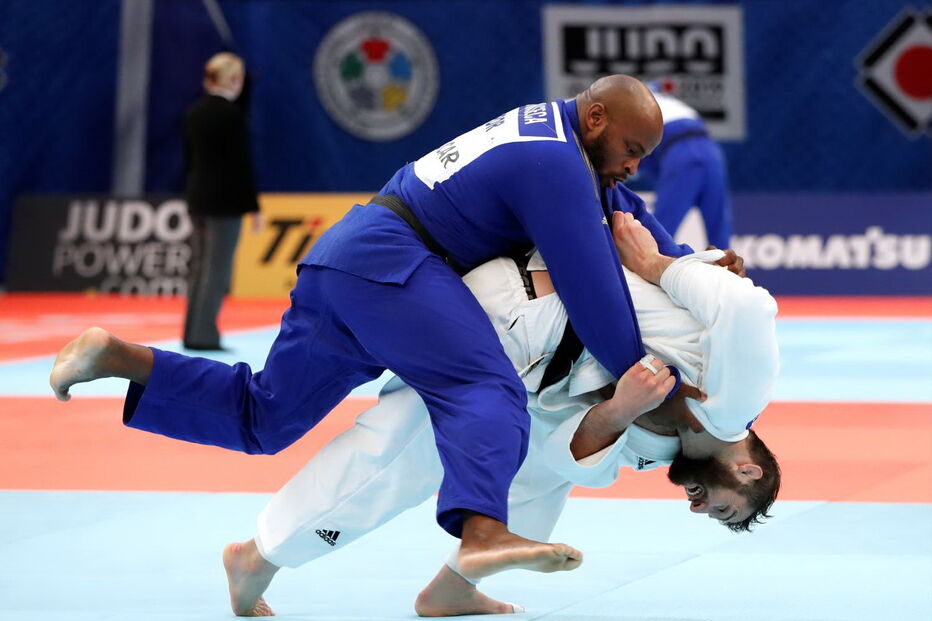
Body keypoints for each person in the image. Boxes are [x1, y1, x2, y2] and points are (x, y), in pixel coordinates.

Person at [50, 75, 690, 602]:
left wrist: (686, 261)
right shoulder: (554, 162)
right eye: (633, 147)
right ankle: (483, 532)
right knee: (484, 384)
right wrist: (653, 383)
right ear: (598, 117)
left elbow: (619, 205)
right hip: (394, 263)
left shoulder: (553, 135)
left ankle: (117, 356)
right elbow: (594, 294)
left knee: (264, 416)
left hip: (348, 259)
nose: (634, 165)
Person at [219, 210, 779, 617]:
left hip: (532, 363)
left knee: (540, 480)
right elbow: (748, 304)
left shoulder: (670, 445)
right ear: (748, 472)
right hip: (514, 314)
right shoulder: (736, 401)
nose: (700, 510)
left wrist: (619, 410)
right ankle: (260, 554)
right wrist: (661, 264)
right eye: (725, 511)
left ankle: (455, 587)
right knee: (405, 453)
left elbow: (573, 458)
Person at [182, 52, 262, 350]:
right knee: (217, 269)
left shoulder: (194, 112)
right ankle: (204, 335)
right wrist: (252, 206)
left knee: (200, 267)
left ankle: (192, 331)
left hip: (198, 199)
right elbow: (240, 165)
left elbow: (190, 161)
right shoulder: (232, 115)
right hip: (225, 203)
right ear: (234, 80)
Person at [635, 85, 733, 249]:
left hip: (679, 154)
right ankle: (727, 271)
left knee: (662, 229)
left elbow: (635, 158)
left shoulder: (640, 110)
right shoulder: (674, 105)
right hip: (712, 152)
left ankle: (652, 269)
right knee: (719, 228)